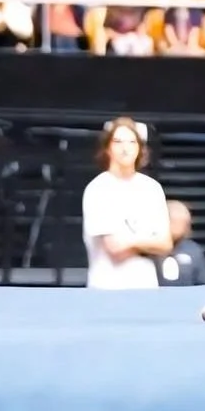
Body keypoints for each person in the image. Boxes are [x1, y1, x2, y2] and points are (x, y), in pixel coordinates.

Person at [81, 118, 172, 289]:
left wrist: (132, 242)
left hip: (146, 288)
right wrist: (149, 242)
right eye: (118, 142)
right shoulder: (98, 189)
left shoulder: (152, 188)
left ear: (140, 148)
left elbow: (165, 244)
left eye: (131, 142)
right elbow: (115, 248)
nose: (125, 148)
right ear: (108, 148)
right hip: (106, 288)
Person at [158, 200, 205, 287]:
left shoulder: (194, 250)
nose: (185, 227)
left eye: (187, 223)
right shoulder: (146, 248)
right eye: (178, 222)